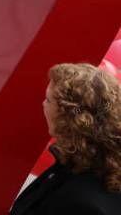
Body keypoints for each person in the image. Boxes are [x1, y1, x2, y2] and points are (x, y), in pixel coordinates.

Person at [10, 63, 121, 214]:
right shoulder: (80, 164)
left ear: (69, 119)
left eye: (48, 100)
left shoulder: (82, 203)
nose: (43, 104)